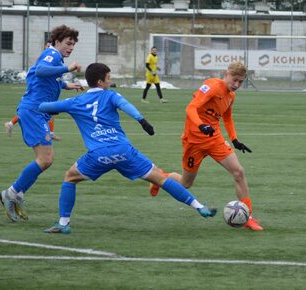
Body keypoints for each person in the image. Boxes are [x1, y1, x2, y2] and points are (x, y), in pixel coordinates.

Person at [39, 63, 217, 234]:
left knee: (70, 178)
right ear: (100, 82)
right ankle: (199, 207)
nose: (110, 81)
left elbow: (44, 107)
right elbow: (127, 106)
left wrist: (51, 90)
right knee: (160, 178)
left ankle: (63, 224)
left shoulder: (75, 101)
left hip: (98, 155)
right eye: (108, 78)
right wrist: (142, 121)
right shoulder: (111, 95)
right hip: (123, 151)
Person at [149, 62, 263, 231]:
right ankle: (160, 178)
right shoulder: (212, 86)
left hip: (214, 140)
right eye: (234, 80)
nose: (237, 85)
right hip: (193, 142)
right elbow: (191, 108)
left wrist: (234, 139)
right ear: (227, 74)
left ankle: (248, 217)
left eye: (240, 82)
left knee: (238, 172)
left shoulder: (231, 97)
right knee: (185, 183)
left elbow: (227, 118)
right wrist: (201, 125)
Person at [0, 25, 83, 222]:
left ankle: (16, 193)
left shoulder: (54, 56)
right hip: (34, 111)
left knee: (46, 160)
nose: (71, 48)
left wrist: (65, 84)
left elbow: (42, 76)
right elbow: (42, 71)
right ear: (57, 42)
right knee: (46, 159)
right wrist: (67, 69)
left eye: (73, 45)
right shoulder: (52, 55)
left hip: (38, 112)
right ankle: (10, 194)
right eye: (68, 43)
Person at [4, 40, 62, 141]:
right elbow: (38, 74)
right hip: (38, 93)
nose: (49, 48)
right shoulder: (45, 60)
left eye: (50, 46)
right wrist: (66, 69)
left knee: (43, 111)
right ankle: (49, 133)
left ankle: (11, 124)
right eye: (47, 46)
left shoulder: (52, 59)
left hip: (44, 93)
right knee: (33, 111)